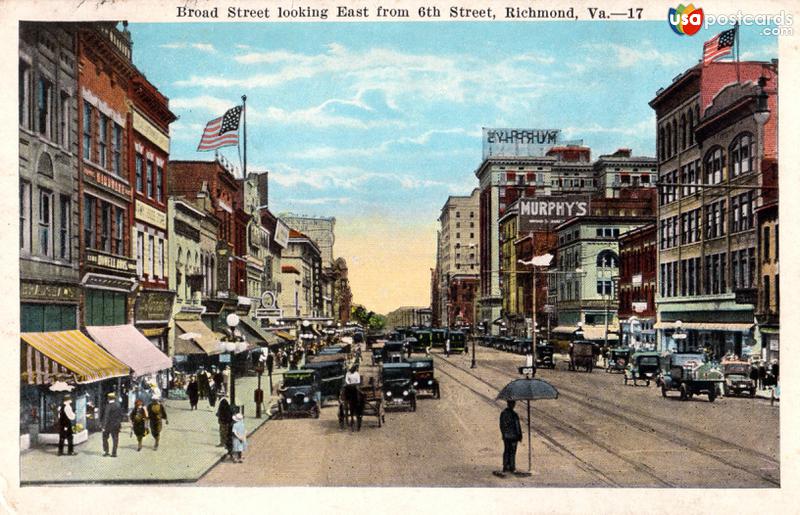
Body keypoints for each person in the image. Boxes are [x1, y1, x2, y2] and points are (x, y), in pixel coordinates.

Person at [499, 400, 523, 476]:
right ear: (509, 404)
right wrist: (519, 435)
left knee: (508, 451)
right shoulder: (513, 414)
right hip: (512, 436)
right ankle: (511, 467)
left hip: (508, 436)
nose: (513, 405)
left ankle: (506, 466)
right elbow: (517, 426)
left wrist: (504, 434)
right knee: (512, 451)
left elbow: (502, 425)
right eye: (512, 404)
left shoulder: (504, 413)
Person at [101, 392, 124, 457]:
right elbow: (121, 416)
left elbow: (106, 416)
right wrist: (119, 423)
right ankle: (114, 453)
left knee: (105, 438)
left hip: (108, 425)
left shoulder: (108, 406)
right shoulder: (118, 405)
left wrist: (103, 426)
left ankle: (106, 451)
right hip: (116, 425)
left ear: (108, 398)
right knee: (115, 439)